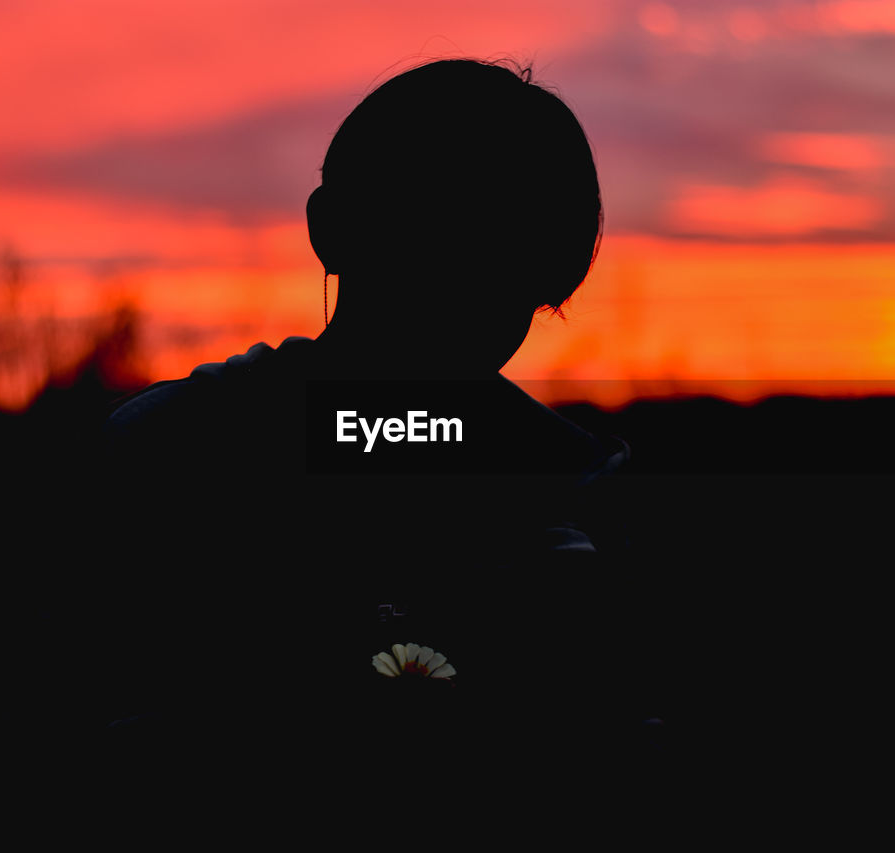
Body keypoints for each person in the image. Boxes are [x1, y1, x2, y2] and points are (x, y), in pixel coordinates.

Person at [91, 59, 647, 786]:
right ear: (335, 232)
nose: (462, 306)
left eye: (505, 270)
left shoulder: (578, 492)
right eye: (433, 248)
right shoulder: (172, 454)